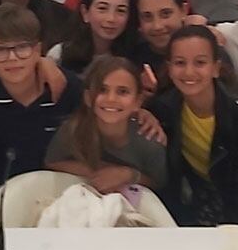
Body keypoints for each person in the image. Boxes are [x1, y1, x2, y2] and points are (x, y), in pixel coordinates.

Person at [0, 5, 80, 221]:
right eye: (1, 50)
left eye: (22, 48)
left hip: (55, 205)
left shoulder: (65, 86)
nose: (12, 58)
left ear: (38, 49)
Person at [146, 26, 238, 225]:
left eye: (200, 63)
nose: (189, 72)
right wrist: (142, 112)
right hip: (192, 208)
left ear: (215, 68)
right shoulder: (163, 108)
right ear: (169, 68)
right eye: (180, 63)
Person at [46, 57, 168, 194]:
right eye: (102, 90)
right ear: (87, 97)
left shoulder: (149, 141)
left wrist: (128, 175)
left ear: (137, 101)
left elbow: (158, 184)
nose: (111, 99)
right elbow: (52, 162)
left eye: (122, 92)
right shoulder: (73, 130)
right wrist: (96, 171)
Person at [50, 0, 147, 78]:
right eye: (102, 8)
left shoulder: (140, 56)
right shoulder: (60, 55)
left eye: (121, 11)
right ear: (85, 12)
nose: (111, 18)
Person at [133, 0, 189, 84]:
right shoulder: (131, 58)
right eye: (147, 17)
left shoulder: (207, 51)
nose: (157, 26)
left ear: (183, 11)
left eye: (165, 14)